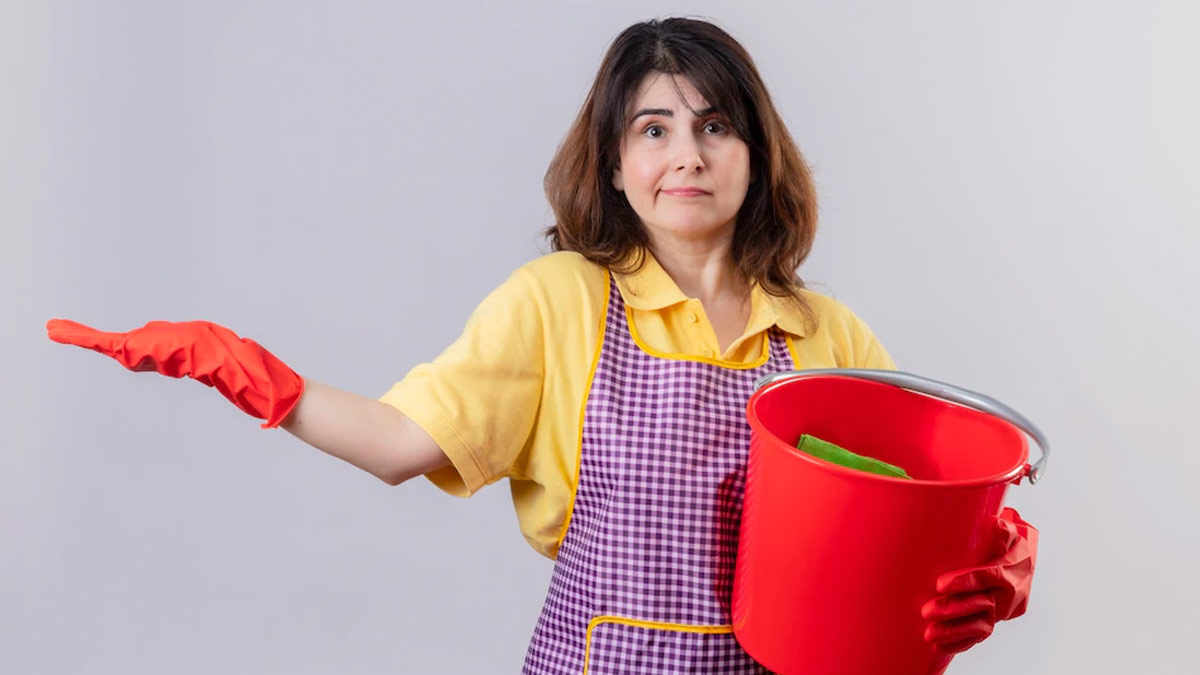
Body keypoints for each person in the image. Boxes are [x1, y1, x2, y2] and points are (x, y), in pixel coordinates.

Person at [46, 17, 1037, 674]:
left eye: (716, 126)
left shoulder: (828, 335)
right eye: (653, 129)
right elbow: (399, 443)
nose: (687, 155)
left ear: (755, 154)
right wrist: (247, 372)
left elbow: (911, 528)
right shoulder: (562, 304)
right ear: (614, 162)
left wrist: (992, 560)